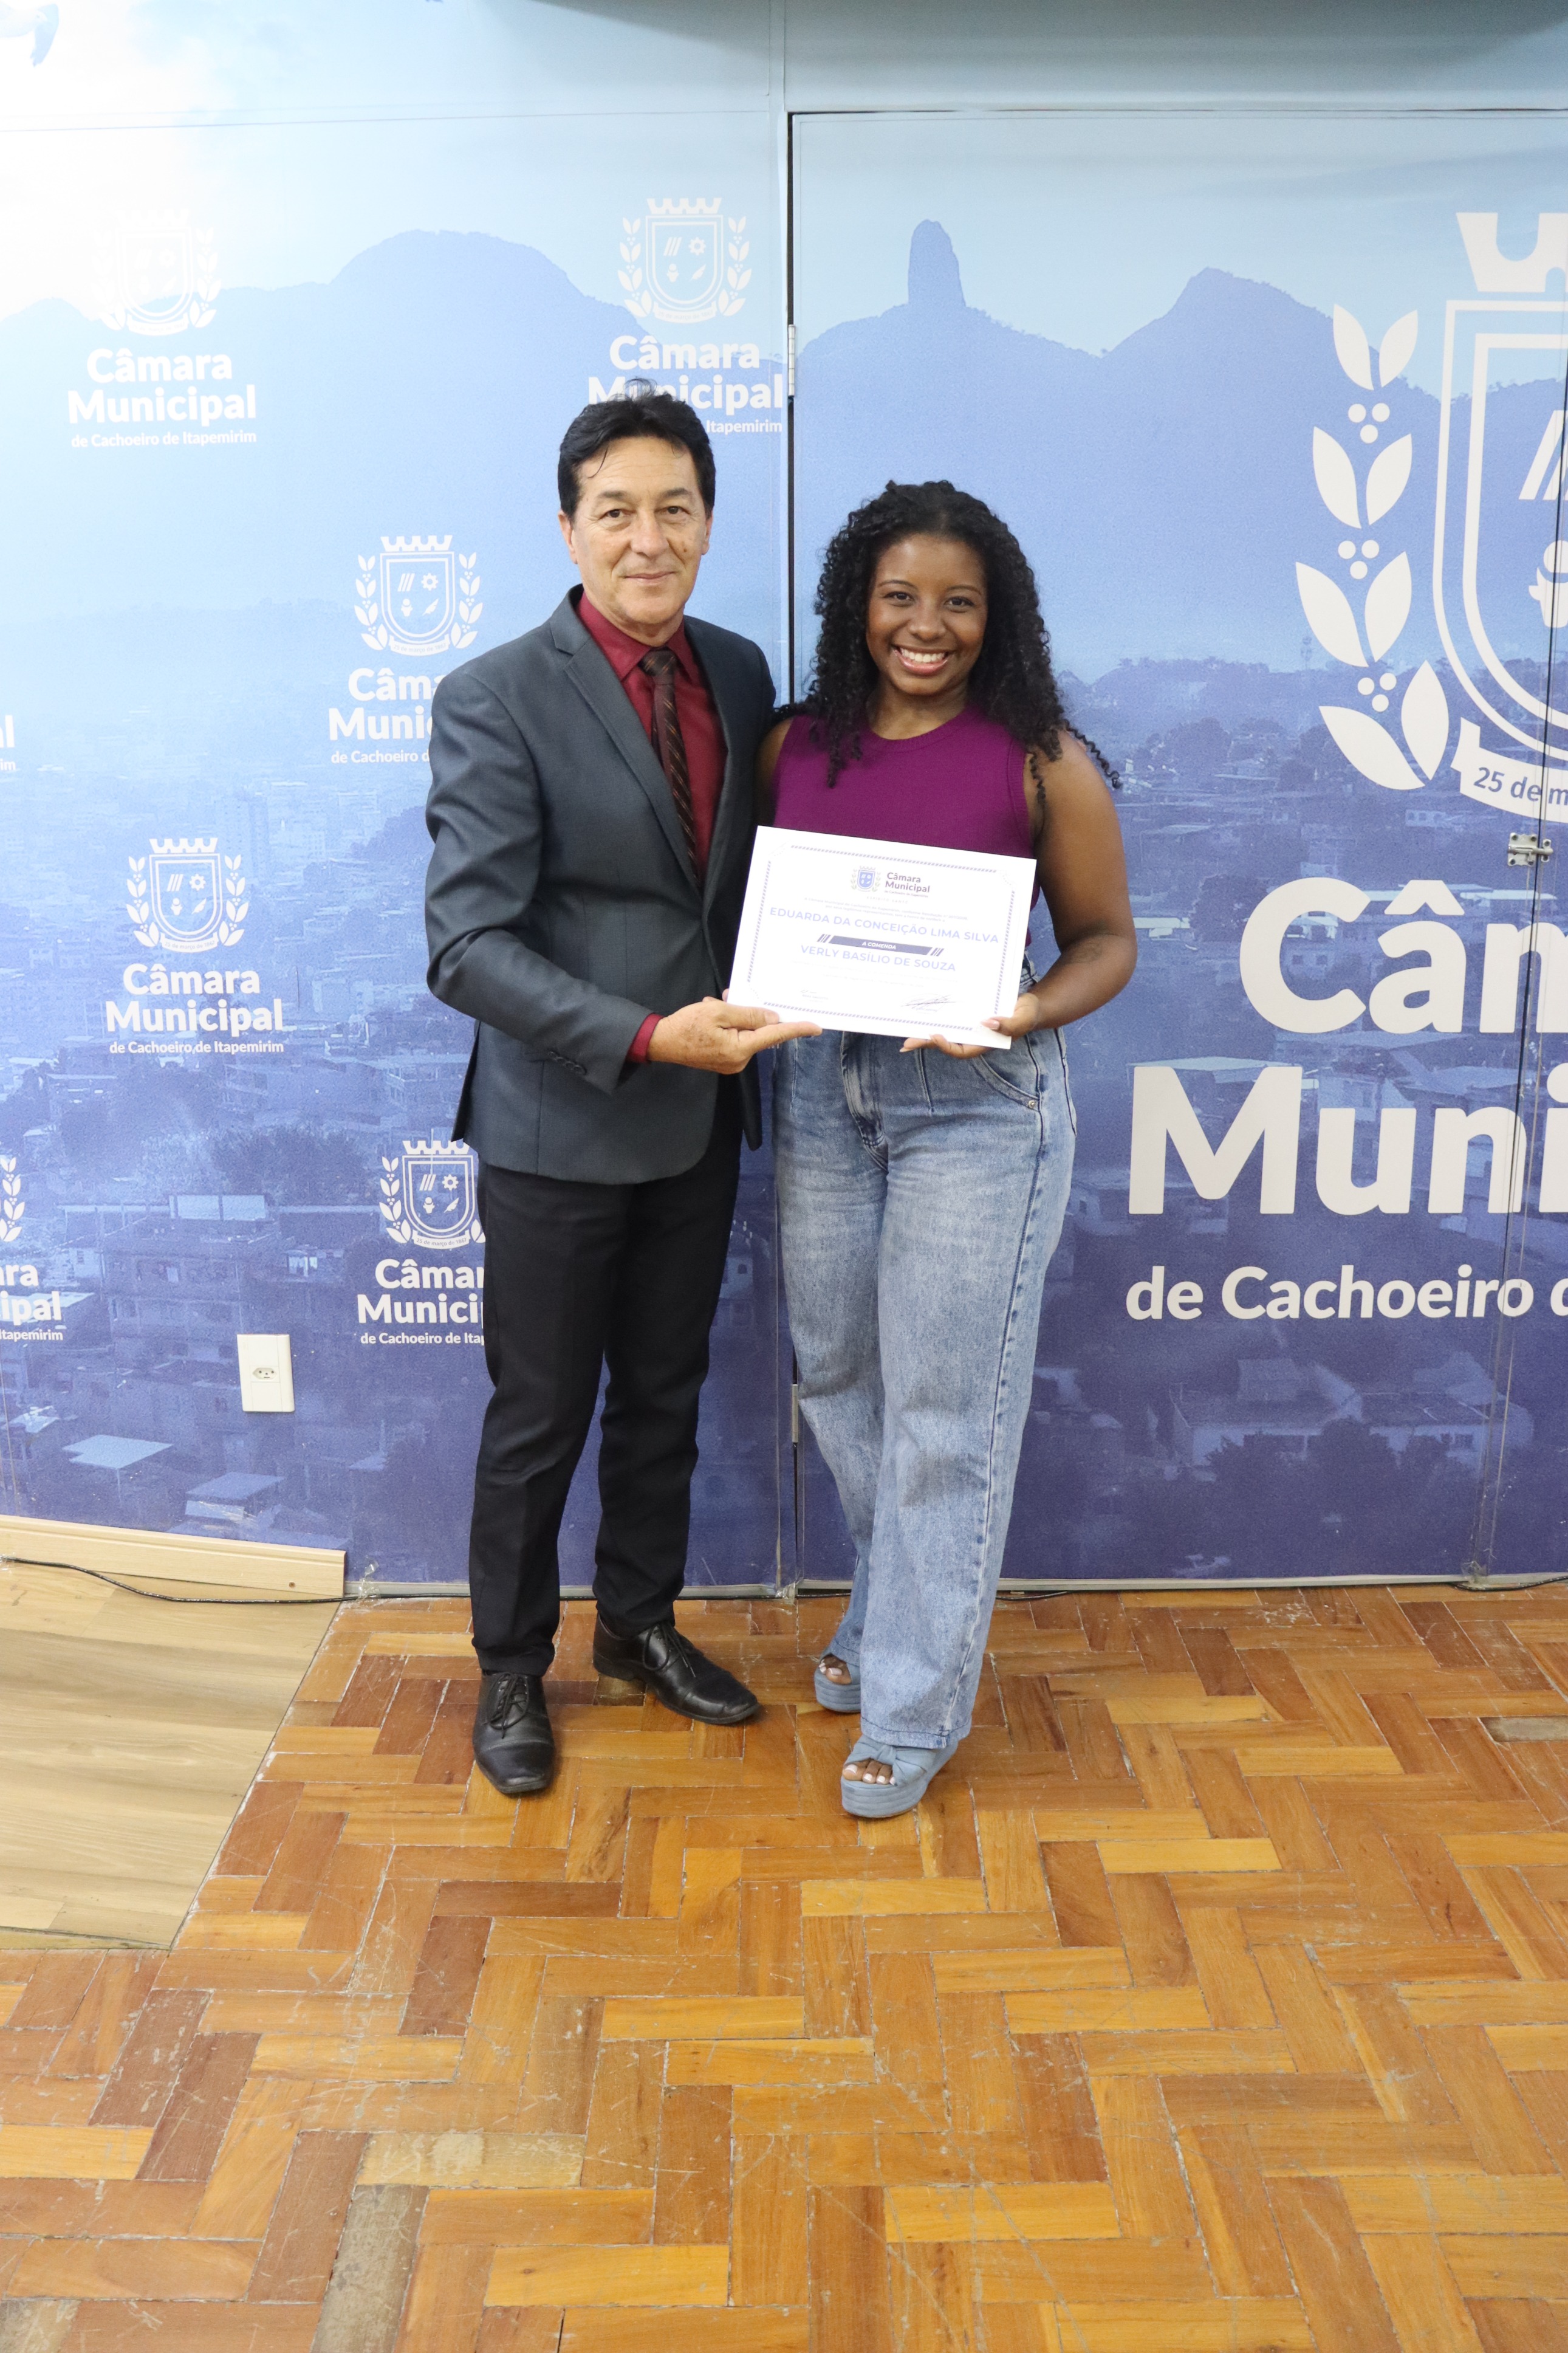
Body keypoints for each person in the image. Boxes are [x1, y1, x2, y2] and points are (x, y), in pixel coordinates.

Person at [425, 385, 817, 1797]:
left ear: (707, 522)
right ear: (569, 528)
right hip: (560, 1123)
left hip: (702, 1121)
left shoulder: (740, 671)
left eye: (675, 509)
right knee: (539, 1420)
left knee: (664, 1395)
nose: (648, 539)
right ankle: (512, 1667)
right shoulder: (493, 695)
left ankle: (639, 1626)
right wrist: (649, 1035)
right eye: (616, 512)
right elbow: (465, 946)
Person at [758, 479, 1136, 1818]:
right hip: (820, 1083)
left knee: (943, 1412)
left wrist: (1019, 1011)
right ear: (857, 605)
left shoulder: (1041, 758)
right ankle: (890, 1599)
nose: (927, 626)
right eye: (900, 597)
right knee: (838, 1374)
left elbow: (1106, 942)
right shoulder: (792, 743)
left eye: (958, 603)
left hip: (976, 1102)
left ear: (997, 617)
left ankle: (914, 1703)